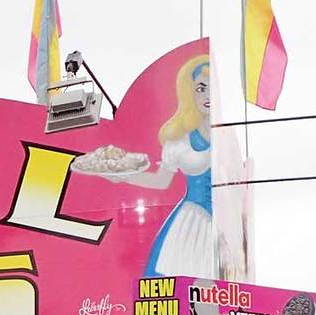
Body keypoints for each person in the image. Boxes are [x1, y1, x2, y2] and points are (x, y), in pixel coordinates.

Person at [72, 53, 213, 278]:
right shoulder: (181, 139)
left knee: (217, 298)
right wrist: (121, 176)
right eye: (200, 88)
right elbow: (160, 180)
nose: (207, 95)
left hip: (223, 229)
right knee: (191, 291)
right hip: (194, 223)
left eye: (211, 88)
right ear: (190, 93)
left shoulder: (226, 137)